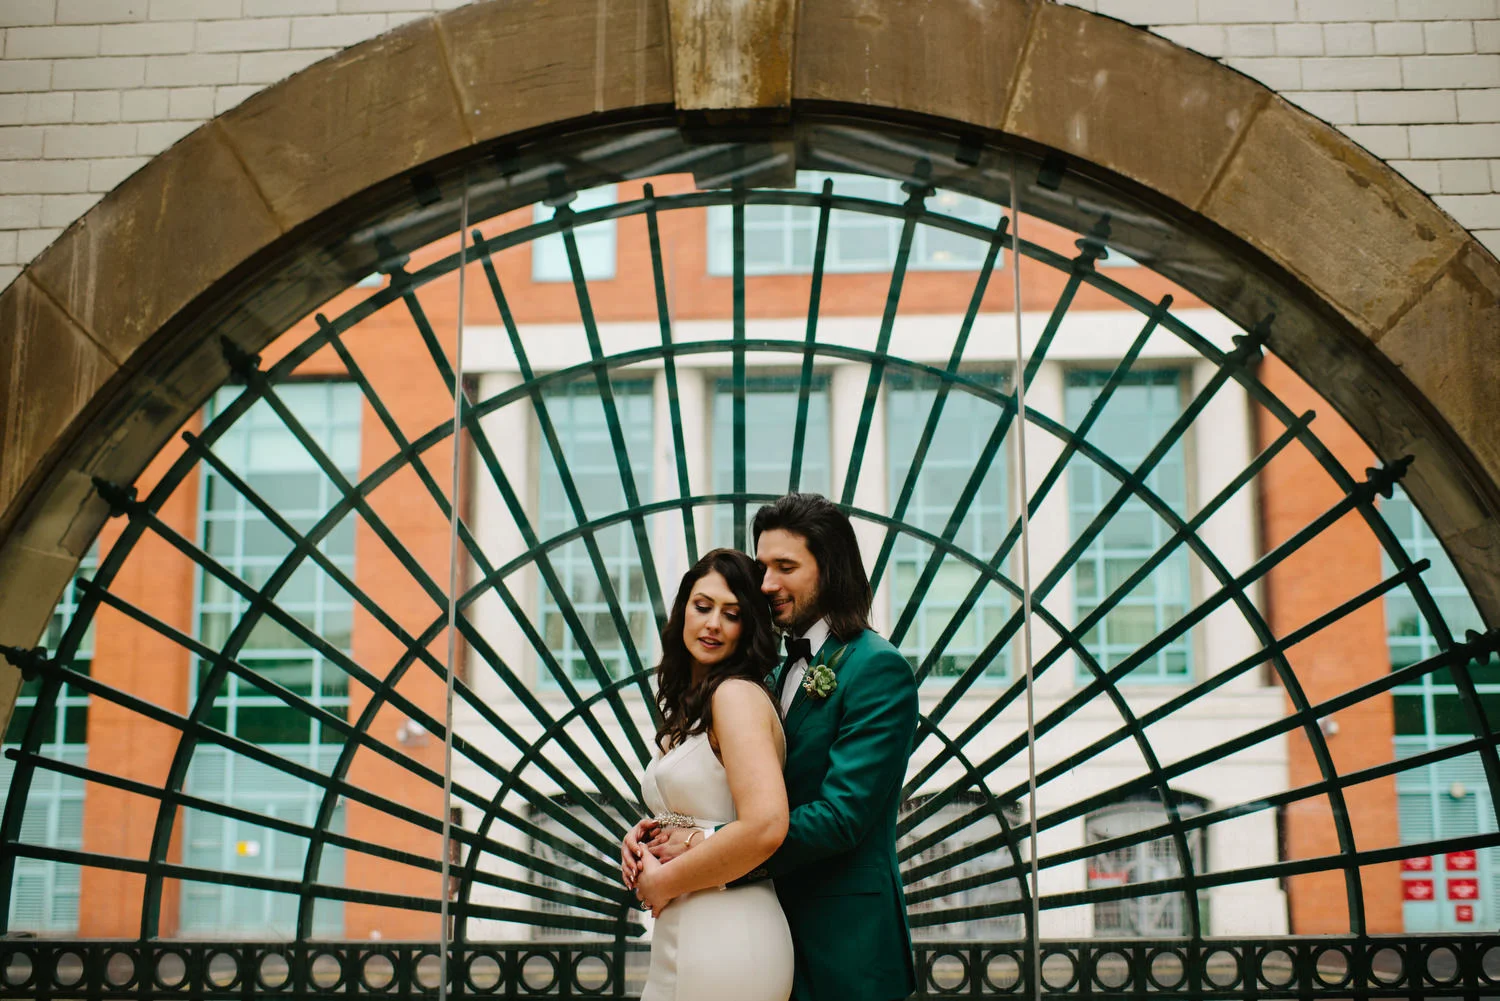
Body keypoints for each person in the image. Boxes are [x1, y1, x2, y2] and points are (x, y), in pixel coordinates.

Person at [625, 494, 920, 1001]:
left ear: (831, 570)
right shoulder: (773, 674)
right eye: (763, 567)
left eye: (785, 567)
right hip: (760, 923)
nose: (766, 584)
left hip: (844, 941)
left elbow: (842, 816)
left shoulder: (877, 668)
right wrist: (661, 831)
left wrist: (700, 843)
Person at [625, 548, 794, 1001]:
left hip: (730, 933)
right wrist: (645, 838)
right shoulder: (694, 703)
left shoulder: (735, 696)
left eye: (732, 614)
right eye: (702, 607)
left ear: (748, 627)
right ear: (683, 612)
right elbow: (703, 809)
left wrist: (661, 881)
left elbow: (765, 825)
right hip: (683, 929)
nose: (713, 624)